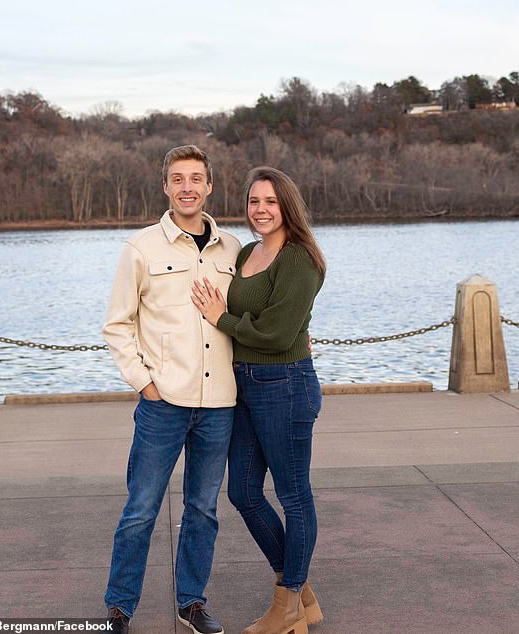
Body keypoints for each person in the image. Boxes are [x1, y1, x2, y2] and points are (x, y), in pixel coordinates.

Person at [102, 145, 241, 634]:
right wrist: (145, 383)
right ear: (165, 186)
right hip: (163, 403)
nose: (187, 187)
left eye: (196, 178)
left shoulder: (233, 250)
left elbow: (246, 317)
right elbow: (117, 325)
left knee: (203, 509)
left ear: (209, 186)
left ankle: (192, 603)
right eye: (178, 178)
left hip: (219, 404)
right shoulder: (141, 248)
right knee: (141, 510)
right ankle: (119, 607)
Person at [191, 166, 326, 634]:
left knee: (293, 495)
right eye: (253, 201)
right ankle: (300, 591)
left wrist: (219, 318)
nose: (261, 210)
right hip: (244, 385)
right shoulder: (248, 252)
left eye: (270, 201)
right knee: (243, 493)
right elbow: (255, 318)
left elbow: (277, 332)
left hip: (285, 385)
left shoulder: (300, 258)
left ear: (286, 204)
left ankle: (287, 607)